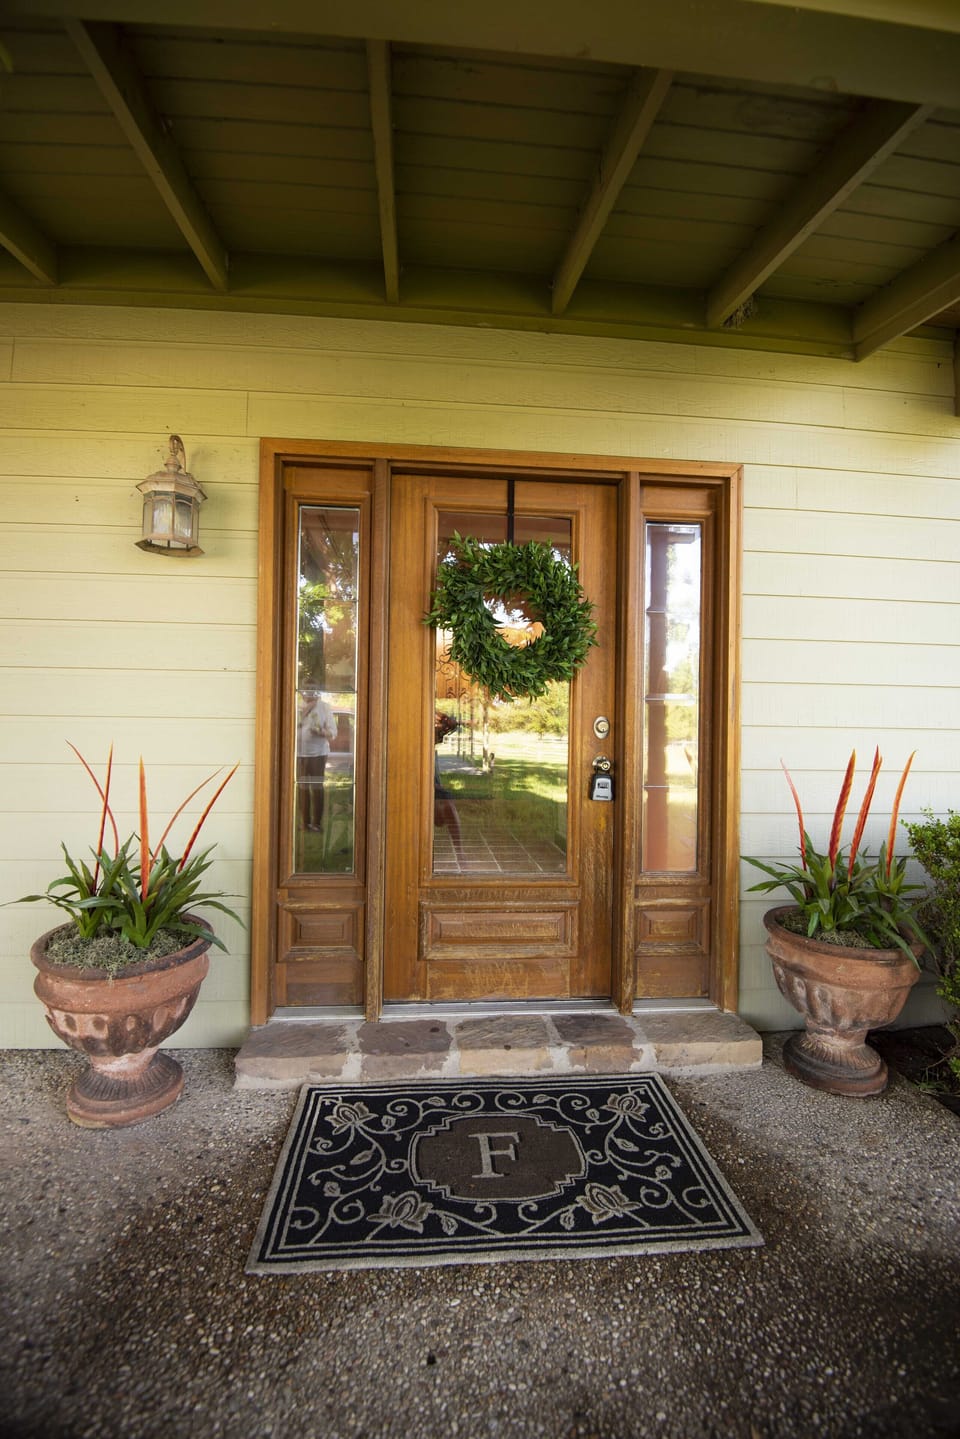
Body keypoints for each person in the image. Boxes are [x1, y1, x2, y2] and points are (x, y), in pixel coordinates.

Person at [298, 687, 338, 831]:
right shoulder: (296, 705)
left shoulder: (324, 708)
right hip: (298, 754)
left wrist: (320, 732)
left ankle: (316, 824)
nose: (307, 694)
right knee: (302, 788)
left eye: (311, 691)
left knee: (316, 788)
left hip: (318, 754)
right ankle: (304, 823)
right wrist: (303, 715)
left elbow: (333, 732)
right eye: (305, 690)